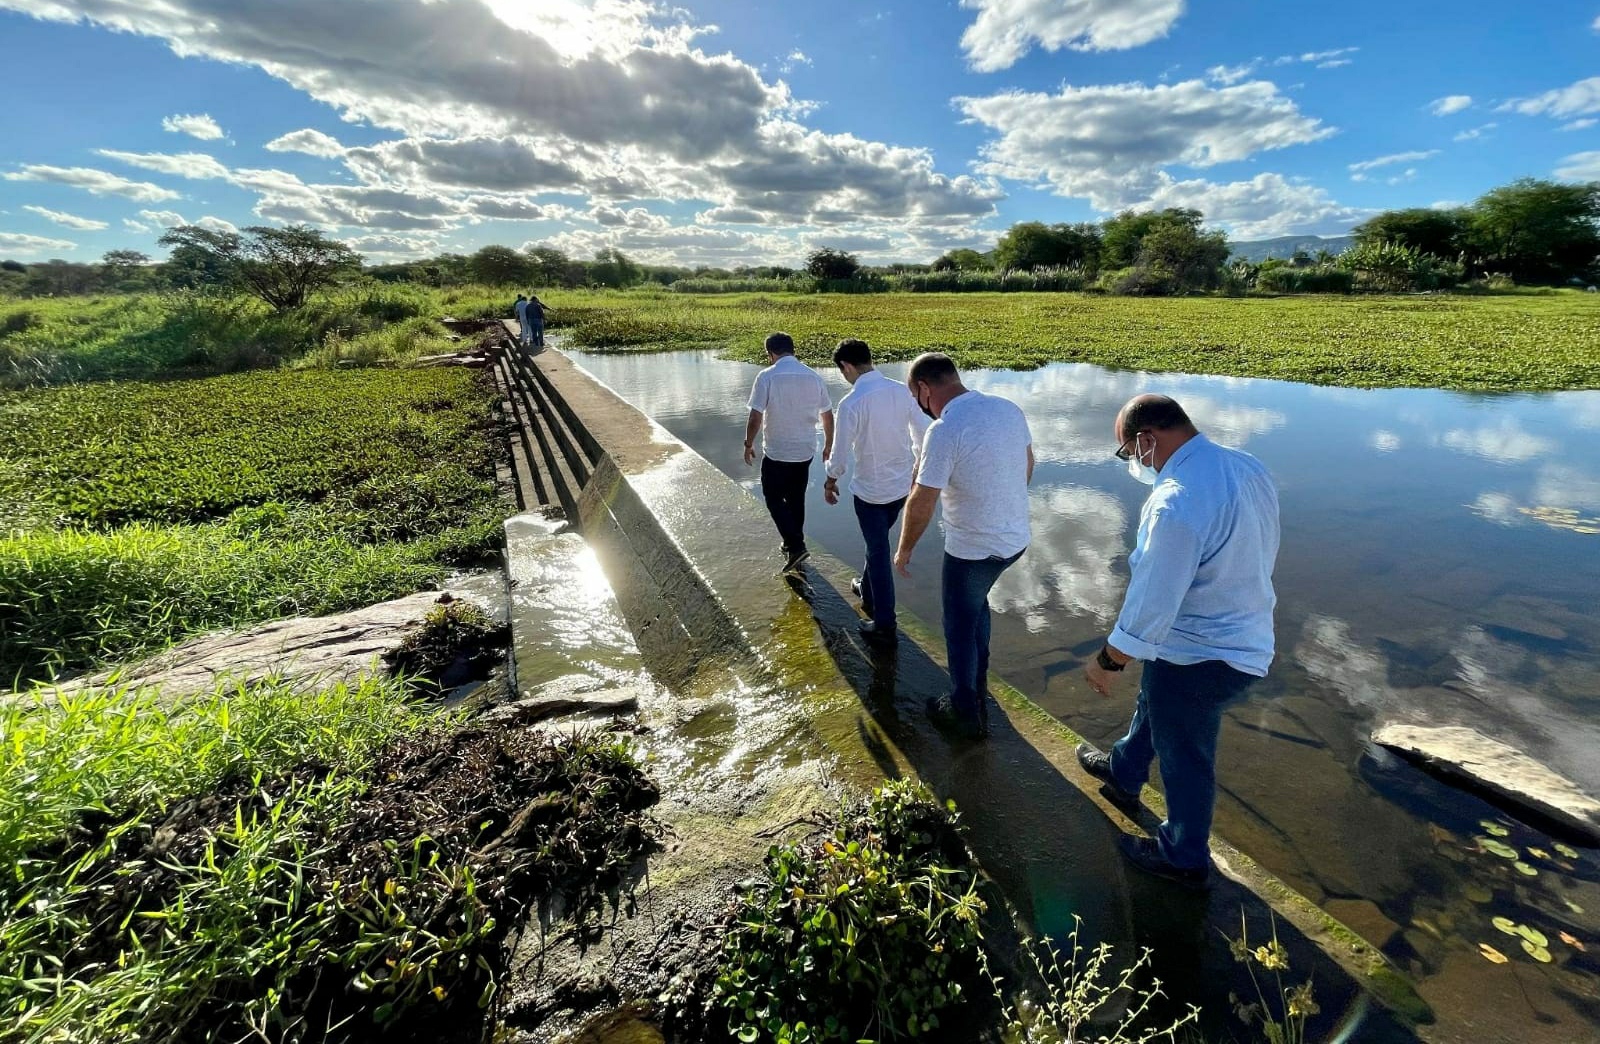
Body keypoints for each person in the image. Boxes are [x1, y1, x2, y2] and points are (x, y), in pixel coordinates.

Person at [1077, 394, 1280, 890]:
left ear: (1147, 440)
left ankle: (1184, 856)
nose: (1132, 464)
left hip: (1206, 651)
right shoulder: (1246, 466)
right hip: (1240, 628)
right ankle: (1124, 772)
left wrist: (1109, 660)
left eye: (1127, 453)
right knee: (1159, 704)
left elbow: (1152, 602)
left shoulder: (1175, 501)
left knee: (1185, 753)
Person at [893, 352, 1033, 736]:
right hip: (1015, 539)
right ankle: (979, 682)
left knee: (957, 624)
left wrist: (904, 549)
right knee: (976, 605)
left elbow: (922, 500)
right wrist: (1004, 502)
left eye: (916, 397)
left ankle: (964, 709)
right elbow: (1027, 464)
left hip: (973, 550)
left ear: (924, 389)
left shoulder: (945, 428)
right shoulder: (1008, 409)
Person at [823, 339, 929, 645]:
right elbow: (923, 433)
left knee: (879, 551)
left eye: (842, 371)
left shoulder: (852, 402)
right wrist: (919, 468)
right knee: (878, 543)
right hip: (901, 489)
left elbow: (840, 454)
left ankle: (885, 623)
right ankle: (866, 590)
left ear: (846, 366)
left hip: (870, 493)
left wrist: (830, 480)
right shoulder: (901, 391)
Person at [744, 332, 834, 572]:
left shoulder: (767, 376)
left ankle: (795, 545)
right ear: (792, 350)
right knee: (796, 498)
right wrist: (828, 444)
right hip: (805, 450)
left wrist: (748, 443)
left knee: (773, 497)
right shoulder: (814, 377)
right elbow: (827, 414)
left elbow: (755, 415)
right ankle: (792, 542)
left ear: (770, 353)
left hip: (777, 451)